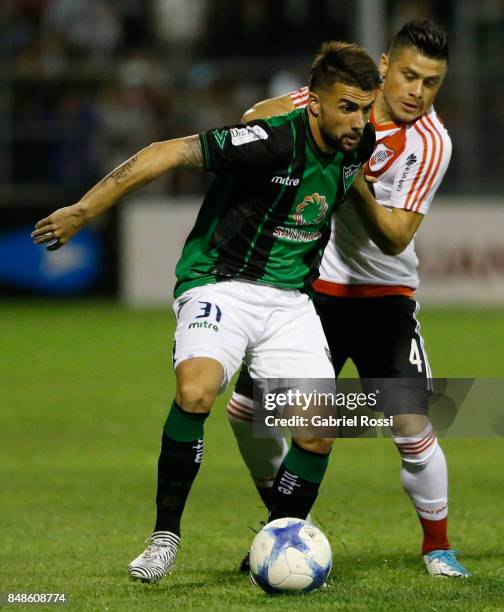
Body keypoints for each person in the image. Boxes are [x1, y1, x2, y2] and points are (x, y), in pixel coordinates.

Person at [31, 42, 381, 583]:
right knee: (196, 390)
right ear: (313, 103)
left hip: (290, 302)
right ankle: (164, 537)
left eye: (365, 108)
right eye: (347, 107)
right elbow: (163, 152)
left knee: (317, 430)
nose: (358, 121)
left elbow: (351, 185)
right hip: (222, 283)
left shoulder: (359, 143)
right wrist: (84, 210)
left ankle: (280, 540)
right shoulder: (269, 141)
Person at [227, 20, 470, 578]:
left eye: (432, 83)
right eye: (410, 76)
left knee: (411, 424)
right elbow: (254, 118)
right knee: (246, 414)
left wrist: (349, 172)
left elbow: (395, 235)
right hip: (312, 297)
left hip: (384, 298)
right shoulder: (341, 102)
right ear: (385, 66)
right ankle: (282, 527)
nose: (418, 92)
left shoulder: (431, 142)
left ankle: (438, 547)